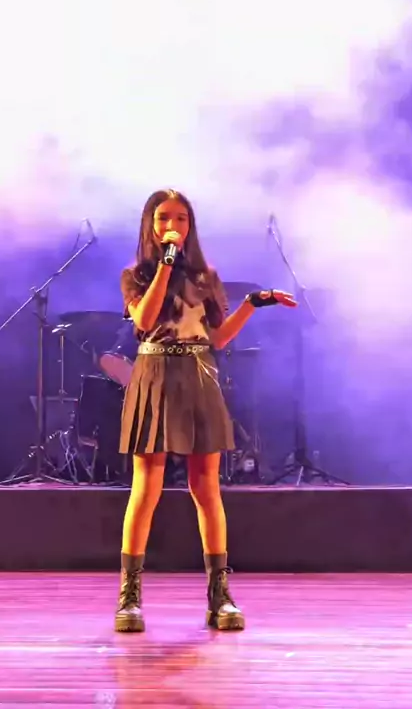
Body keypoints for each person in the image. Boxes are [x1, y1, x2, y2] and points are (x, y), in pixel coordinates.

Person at [115, 189, 297, 633]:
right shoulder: (136, 274)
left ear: (190, 225)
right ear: (150, 224)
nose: (172, 225)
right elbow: (144, 320)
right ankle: (129, 598)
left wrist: (252, 304)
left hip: (198, 375)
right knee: (146, 488)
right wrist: (166, 264)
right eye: (163, 217)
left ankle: (220, 596)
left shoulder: (206, 277)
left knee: (207, 488)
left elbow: (217, 338)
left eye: (181, 218)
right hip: (154, 374)